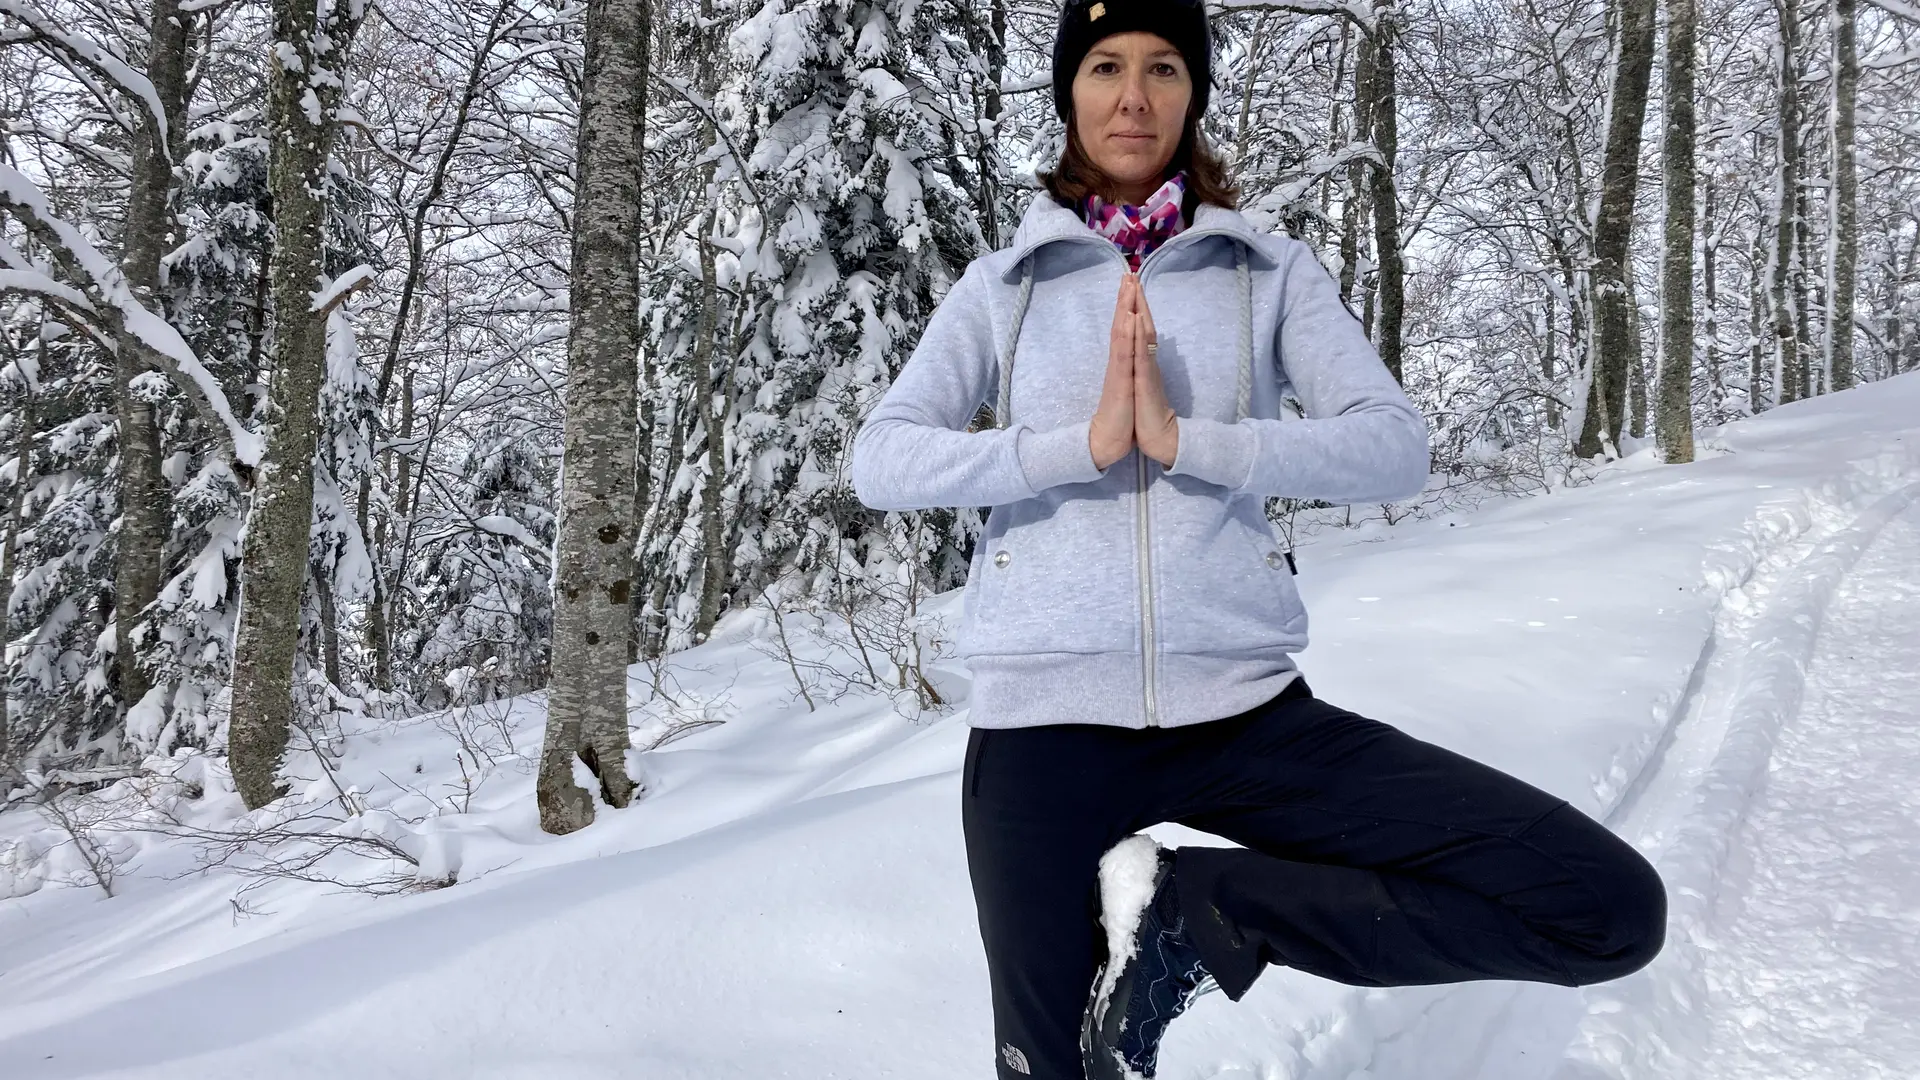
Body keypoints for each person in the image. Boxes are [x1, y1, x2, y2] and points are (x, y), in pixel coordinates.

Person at [848, 1, 1668, 1076]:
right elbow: (884, 459)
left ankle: (1209, 915)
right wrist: (1073, 447)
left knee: (1605, 909)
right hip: (1042, 734)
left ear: (1193, 93)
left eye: (1162, 67)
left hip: (1247, 720)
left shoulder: (1269, 276)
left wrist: (1197, 442)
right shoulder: (1001, 290)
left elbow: (1392, 449)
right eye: (1103, 67)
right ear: (1069, 93)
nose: (1133, 95)